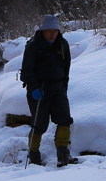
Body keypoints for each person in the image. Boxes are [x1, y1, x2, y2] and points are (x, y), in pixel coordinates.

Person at [21, 14, 76, 166]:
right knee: (39, 124)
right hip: (39, 89)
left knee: (64, 120)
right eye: (48, 31)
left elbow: (67, 67)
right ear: (42, 31)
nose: (52, 34)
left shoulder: (62, 44)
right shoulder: (33, 45)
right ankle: (33, 154)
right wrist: (34, 88)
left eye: (55, 31)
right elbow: (26, 71)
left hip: (58, 88)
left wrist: (64, 86)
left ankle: (63, 153)